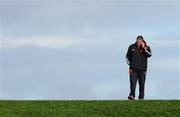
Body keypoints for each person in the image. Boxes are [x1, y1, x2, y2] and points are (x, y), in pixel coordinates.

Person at [126, 35, 152, 100]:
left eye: (140, 40)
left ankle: (141, 97)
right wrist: (131, 65)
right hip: (133, 70)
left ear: (142, 41)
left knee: (142, 84)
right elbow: (127, 57)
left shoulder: (146, 47)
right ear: (136, 40)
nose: (139, 41)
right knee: (132, 83)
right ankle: (132, 95)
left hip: (142, 70)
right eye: (138, 40)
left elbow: (149, 55)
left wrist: (144, 49)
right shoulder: (131, 47)